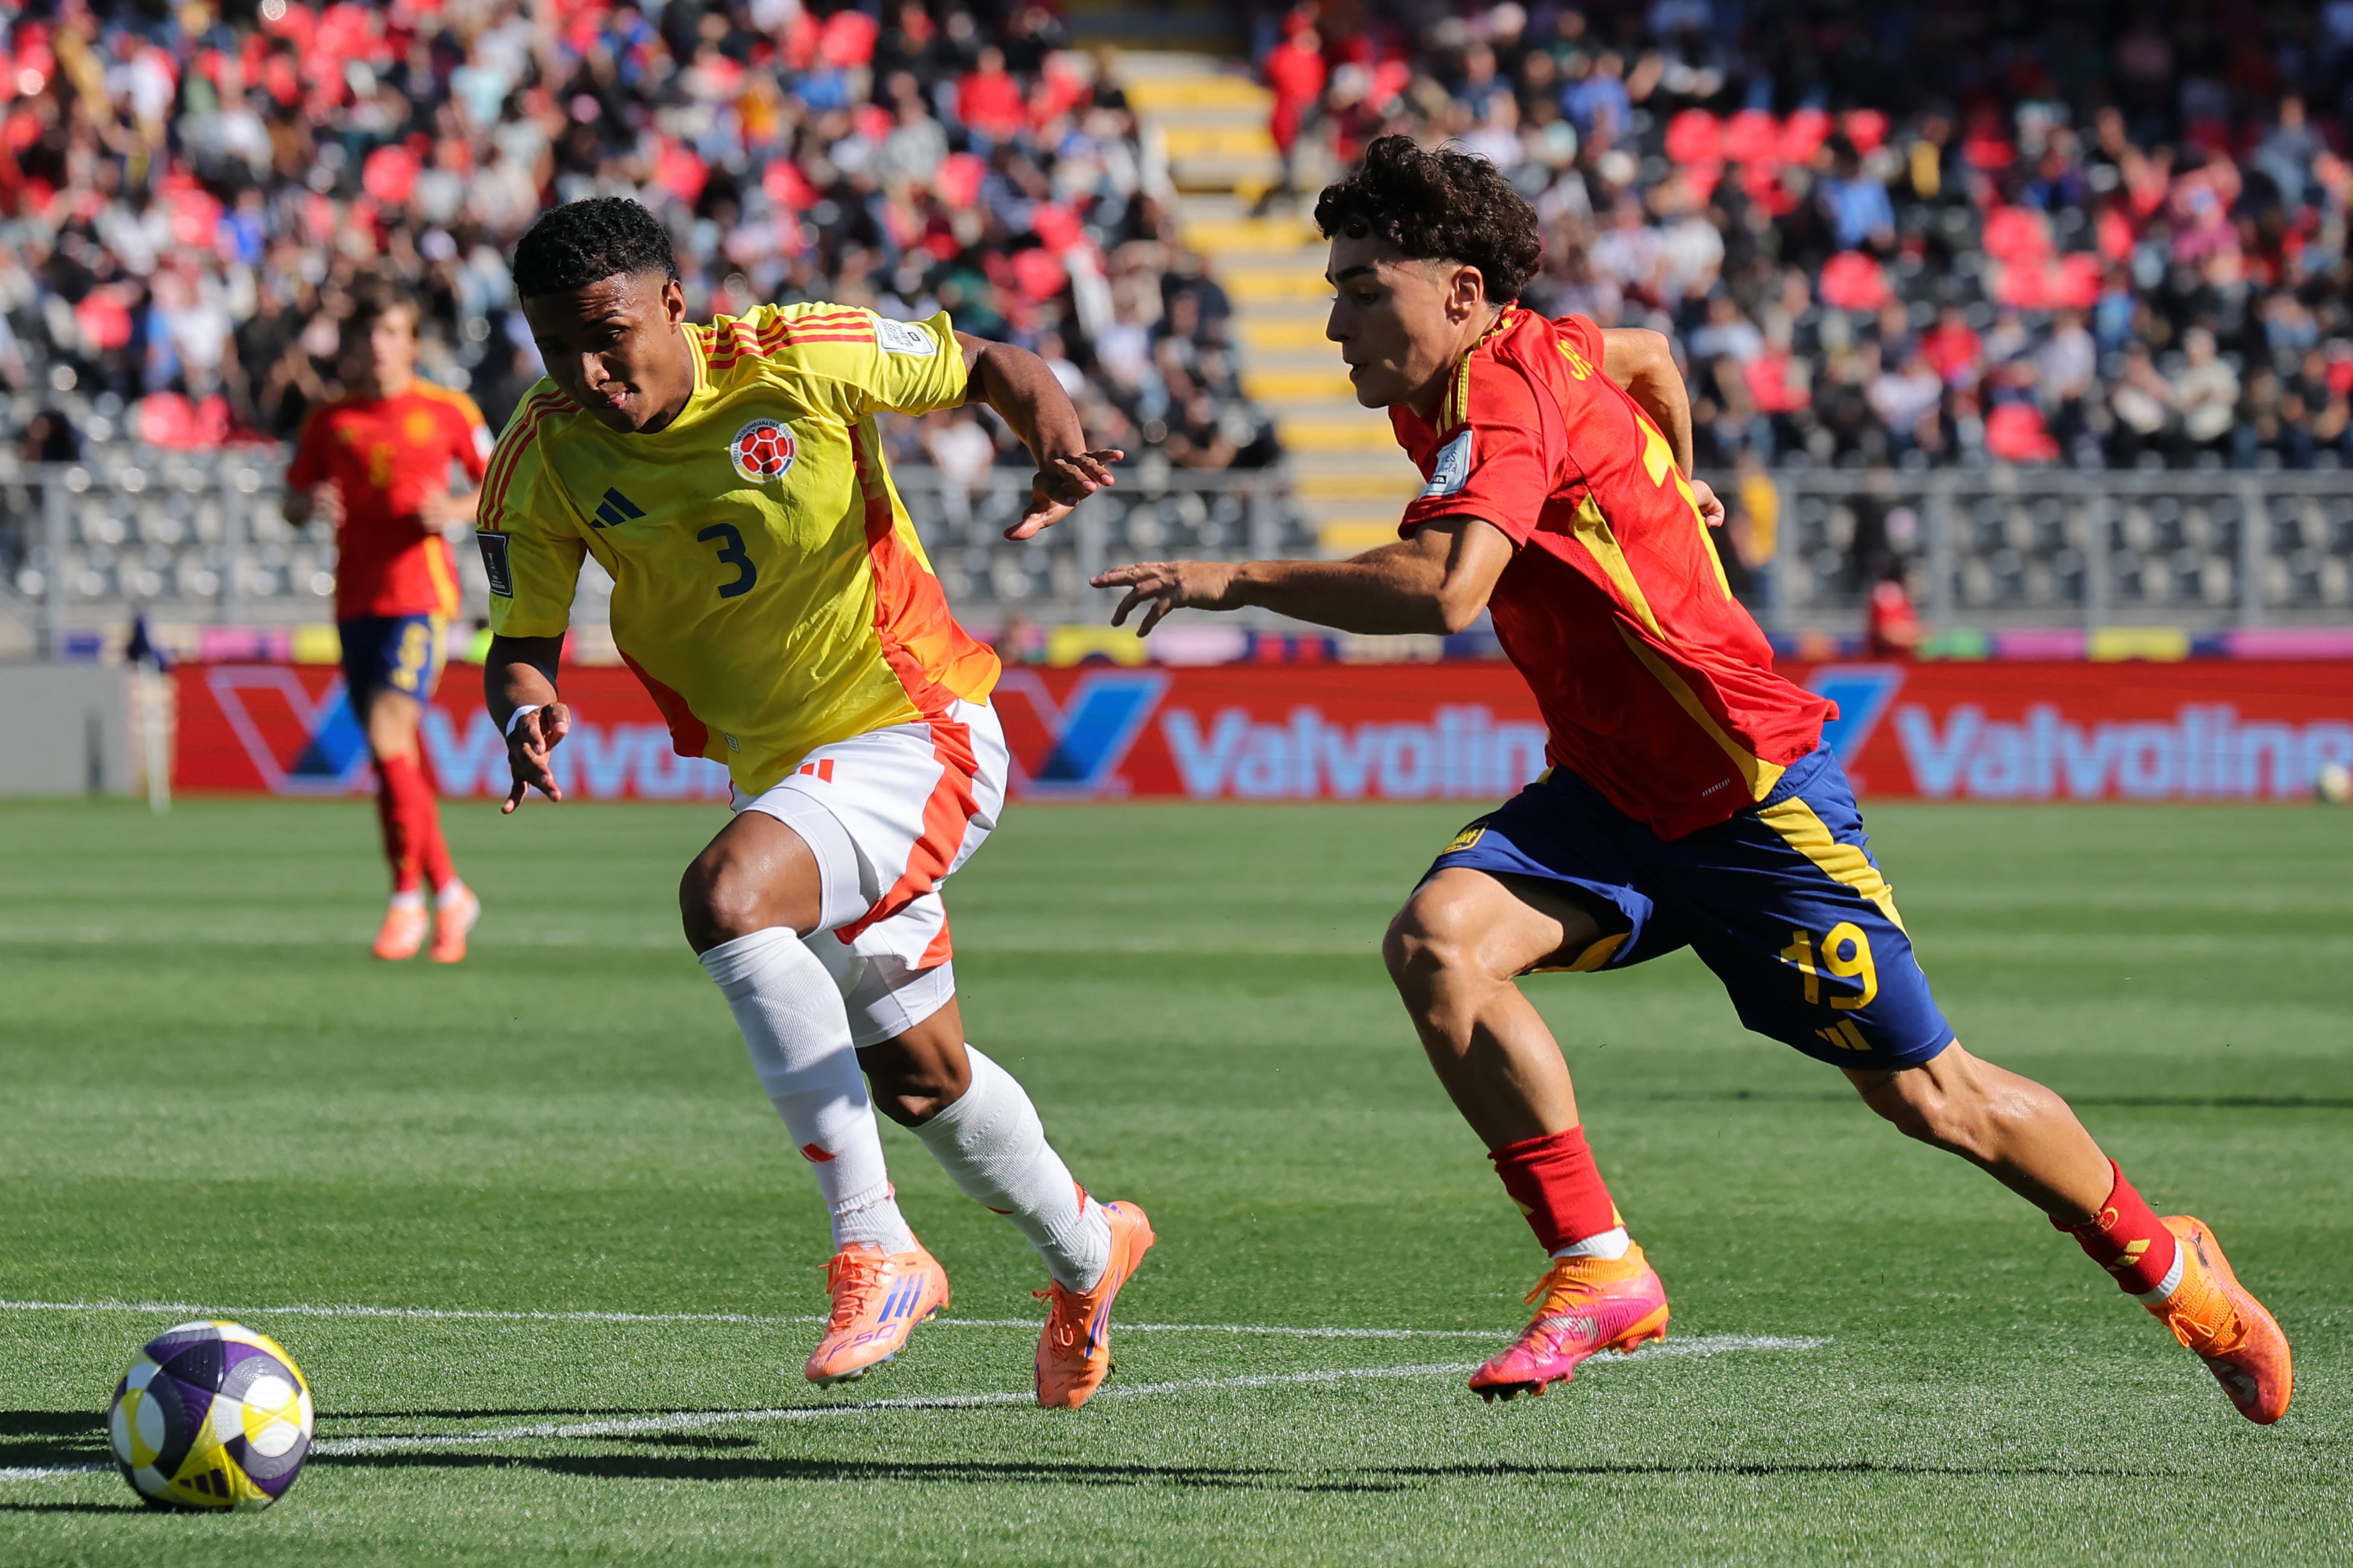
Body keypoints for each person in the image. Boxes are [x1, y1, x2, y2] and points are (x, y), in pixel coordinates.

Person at [1091, 137, 2291, 1421]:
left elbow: (1448, 592)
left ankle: (2176, 1271)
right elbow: (1650, 354)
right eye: (1330, 288)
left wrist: (1236, 579)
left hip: (1749, 802)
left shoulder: (1501, 398)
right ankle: (1597, 1262)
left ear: (1455, 291)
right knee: (1438, 942)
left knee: (1931, 1098)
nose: (1332, 322)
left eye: (1359, 288)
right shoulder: (1517, 358)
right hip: (1610, 797)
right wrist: (1677, 472)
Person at [479, 198, 1149, 1407]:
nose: (585, 372)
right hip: (790, 778)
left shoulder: (798, 356)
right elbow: (521, 635)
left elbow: (991, 362)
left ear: (675, 304)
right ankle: (1092, 1253)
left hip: (919, 728)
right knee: (921, 1082)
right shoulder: (545, 447)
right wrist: (522, 702)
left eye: (607, 335)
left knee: (728, 898)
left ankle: (874, 1242)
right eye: (553, 348)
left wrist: (1051, 433)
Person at [284, 282, 488, 963]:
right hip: (355, 601)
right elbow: (291, 500)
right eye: (366, 334)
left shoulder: (448, 410)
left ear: (410, 342)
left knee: (384, 730)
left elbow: (499, 482)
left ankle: (406, 899)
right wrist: (308, 505)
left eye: (390, 333)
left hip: (422, 599)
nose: (377, 345)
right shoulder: (331, 421)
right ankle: (451, 893)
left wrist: (455, 510)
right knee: (393, 753)